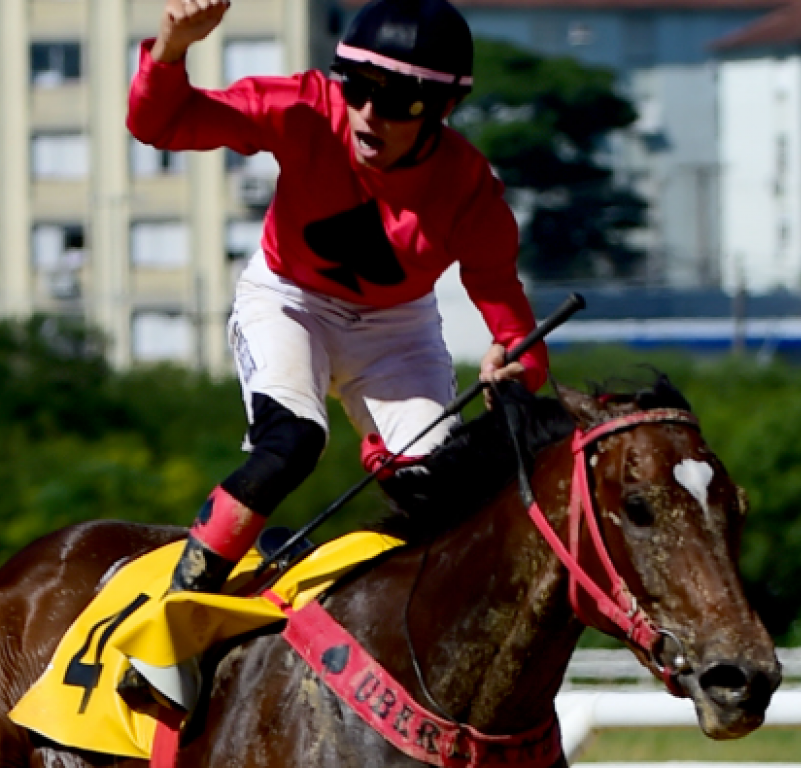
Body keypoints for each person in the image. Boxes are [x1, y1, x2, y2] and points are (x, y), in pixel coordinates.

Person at [127, 0, 549, 596]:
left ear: (445, 108)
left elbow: (519, 337)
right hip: (288, 300)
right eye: (358, 88)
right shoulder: (303, 107)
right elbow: (158, 126)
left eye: (400, 100)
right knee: (292, 444)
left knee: (443, 491)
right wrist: (171, 51)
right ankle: (182, 598)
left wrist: (511, 368)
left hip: (396, 330)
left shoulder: (472, 192)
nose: (369, 115)